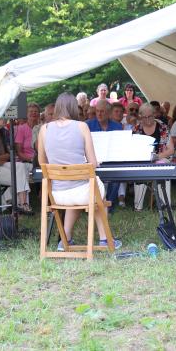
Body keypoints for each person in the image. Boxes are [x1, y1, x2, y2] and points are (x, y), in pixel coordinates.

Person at [37, 93, 121, 250]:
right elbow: (93, 163)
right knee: (94, 189)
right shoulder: (82, 126)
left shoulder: (44, 130)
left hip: (57, 195)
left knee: (82, 189)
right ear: (73, 108)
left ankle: (65, 240)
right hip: (82, 192)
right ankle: (104, 239)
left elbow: (42, 163)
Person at [132, 104, 174, 211]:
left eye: (150, 116)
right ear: (140, 116)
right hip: (142, 159)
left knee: (163, 167)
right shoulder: (136, 129)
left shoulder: (163, 127)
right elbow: (132, 150)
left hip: (160, 158)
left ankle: (165, 204)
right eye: (144, 117)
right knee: (138, 170)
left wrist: (157, 156)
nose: (148, 120)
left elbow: (171, 150)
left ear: (154, 114)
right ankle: (138, 206)